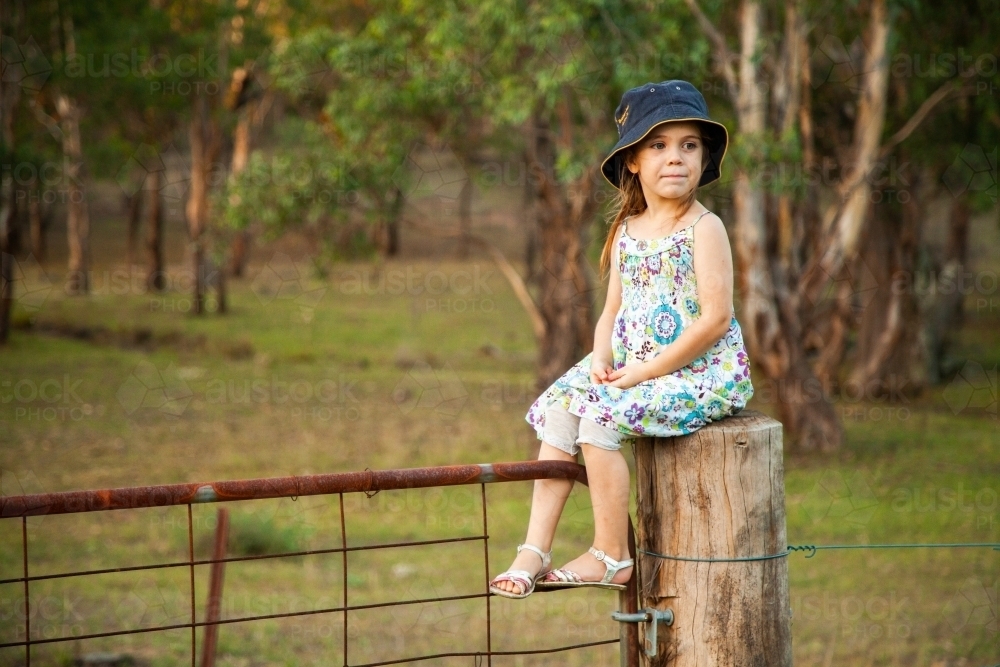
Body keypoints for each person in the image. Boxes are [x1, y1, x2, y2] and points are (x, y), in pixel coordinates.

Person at [489, 80, 755, 598]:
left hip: (698, 374)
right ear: (632, 160)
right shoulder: (629, 229)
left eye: (689, 145)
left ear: (704, 157)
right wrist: (602, 355)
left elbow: (715, 321)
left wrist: (642, 373)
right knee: (563, 404)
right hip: (635, 365)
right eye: (658, 145)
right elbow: (612, 308)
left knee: (600, 419)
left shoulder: (705, 228)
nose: (674, 158)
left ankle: (611, 555)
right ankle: (534, 548)